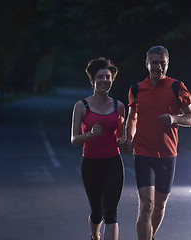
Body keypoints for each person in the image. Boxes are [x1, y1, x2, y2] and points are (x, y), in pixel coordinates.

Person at [124, 46, 191, 240]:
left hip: (167, 153)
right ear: (147, 64)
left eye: (162, 63)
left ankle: (151, 235)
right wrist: (129, 138)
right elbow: (132, 118)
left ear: (167, 64)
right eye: (154, 63)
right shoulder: (137, 89)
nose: (159, 67)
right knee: (146, 204)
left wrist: (174, 118)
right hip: (143, 152)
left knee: (160, 205)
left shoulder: (177, 87)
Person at [71, 57, 125, 240]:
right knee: (97, 212)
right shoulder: (81, 106)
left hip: (113, 163)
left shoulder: (119, 106)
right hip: (91, 164)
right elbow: (74, 140)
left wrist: (126, 142)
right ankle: (95, 236)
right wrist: (90, 135)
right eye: (100, 77)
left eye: (108, 77)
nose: (105, 80)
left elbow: (121, 138)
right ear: (93, 80)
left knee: (111, 212)